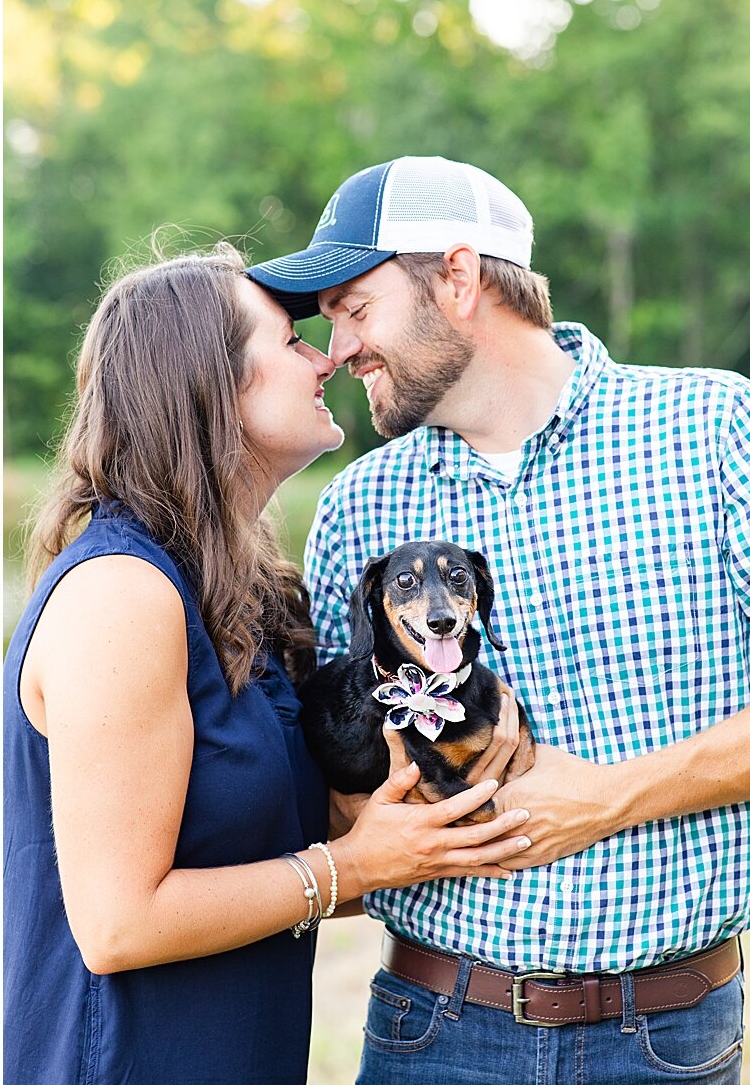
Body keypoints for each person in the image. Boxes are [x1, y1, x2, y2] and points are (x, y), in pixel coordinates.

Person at [250, 154, 750, 1083]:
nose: (338, 350)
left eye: (356, 308)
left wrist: (611, 796)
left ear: (459, 274)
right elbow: (333, 759)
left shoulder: (715, 431)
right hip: (434, 1030)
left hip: (672, 1039)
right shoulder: (360, 507)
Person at [1, 246, 532, 1084]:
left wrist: (444, 806)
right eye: (291, 341)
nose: (328, 356)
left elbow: (263, 852)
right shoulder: (122, 595)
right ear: (212, 390)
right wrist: (352, 866)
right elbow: (114, 925)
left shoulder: (243, 596)